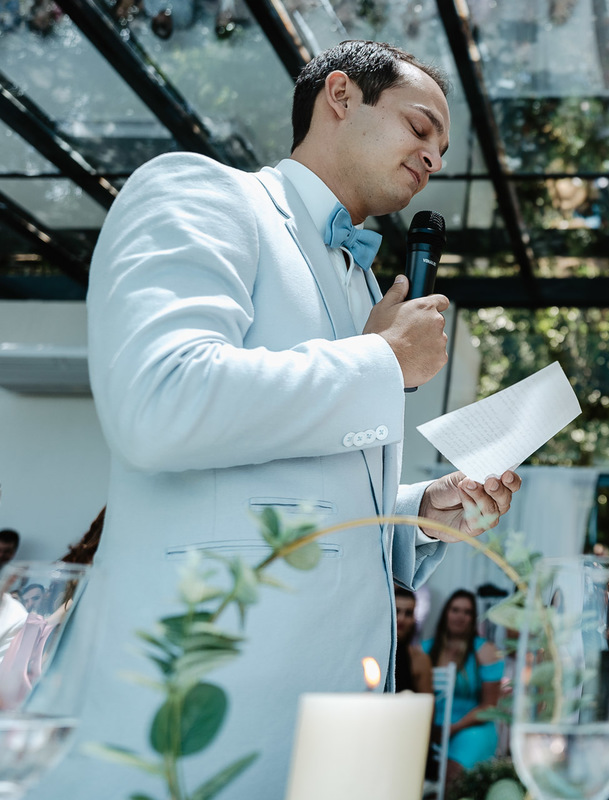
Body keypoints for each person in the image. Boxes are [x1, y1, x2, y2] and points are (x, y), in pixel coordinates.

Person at [32, 41, 521, 800]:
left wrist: (417, 512)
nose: (434, 156)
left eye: (444, 148)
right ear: (339, 96)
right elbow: (159, 401)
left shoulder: (364, 283)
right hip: (189, 729)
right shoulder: (201, 194)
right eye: (420, 126)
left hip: (337, 745)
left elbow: (298, 493)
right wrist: (381, 362)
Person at [423, 590, 503, 788]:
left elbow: (490, 706)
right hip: (431, 728)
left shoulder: (485, 651)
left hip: (470, 726)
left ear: (473, 618)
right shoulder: (425, 650)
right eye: (455, 610)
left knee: (451, 777)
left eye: (467, 612)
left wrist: (452, 728)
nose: (460, 616)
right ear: (445, 613)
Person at [395, 584, 433, 694]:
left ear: (413, 619)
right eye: (397, 611)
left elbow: (428, 706)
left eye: (408, 613)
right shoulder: (374, 653)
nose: (401, 619)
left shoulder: (419, 659)